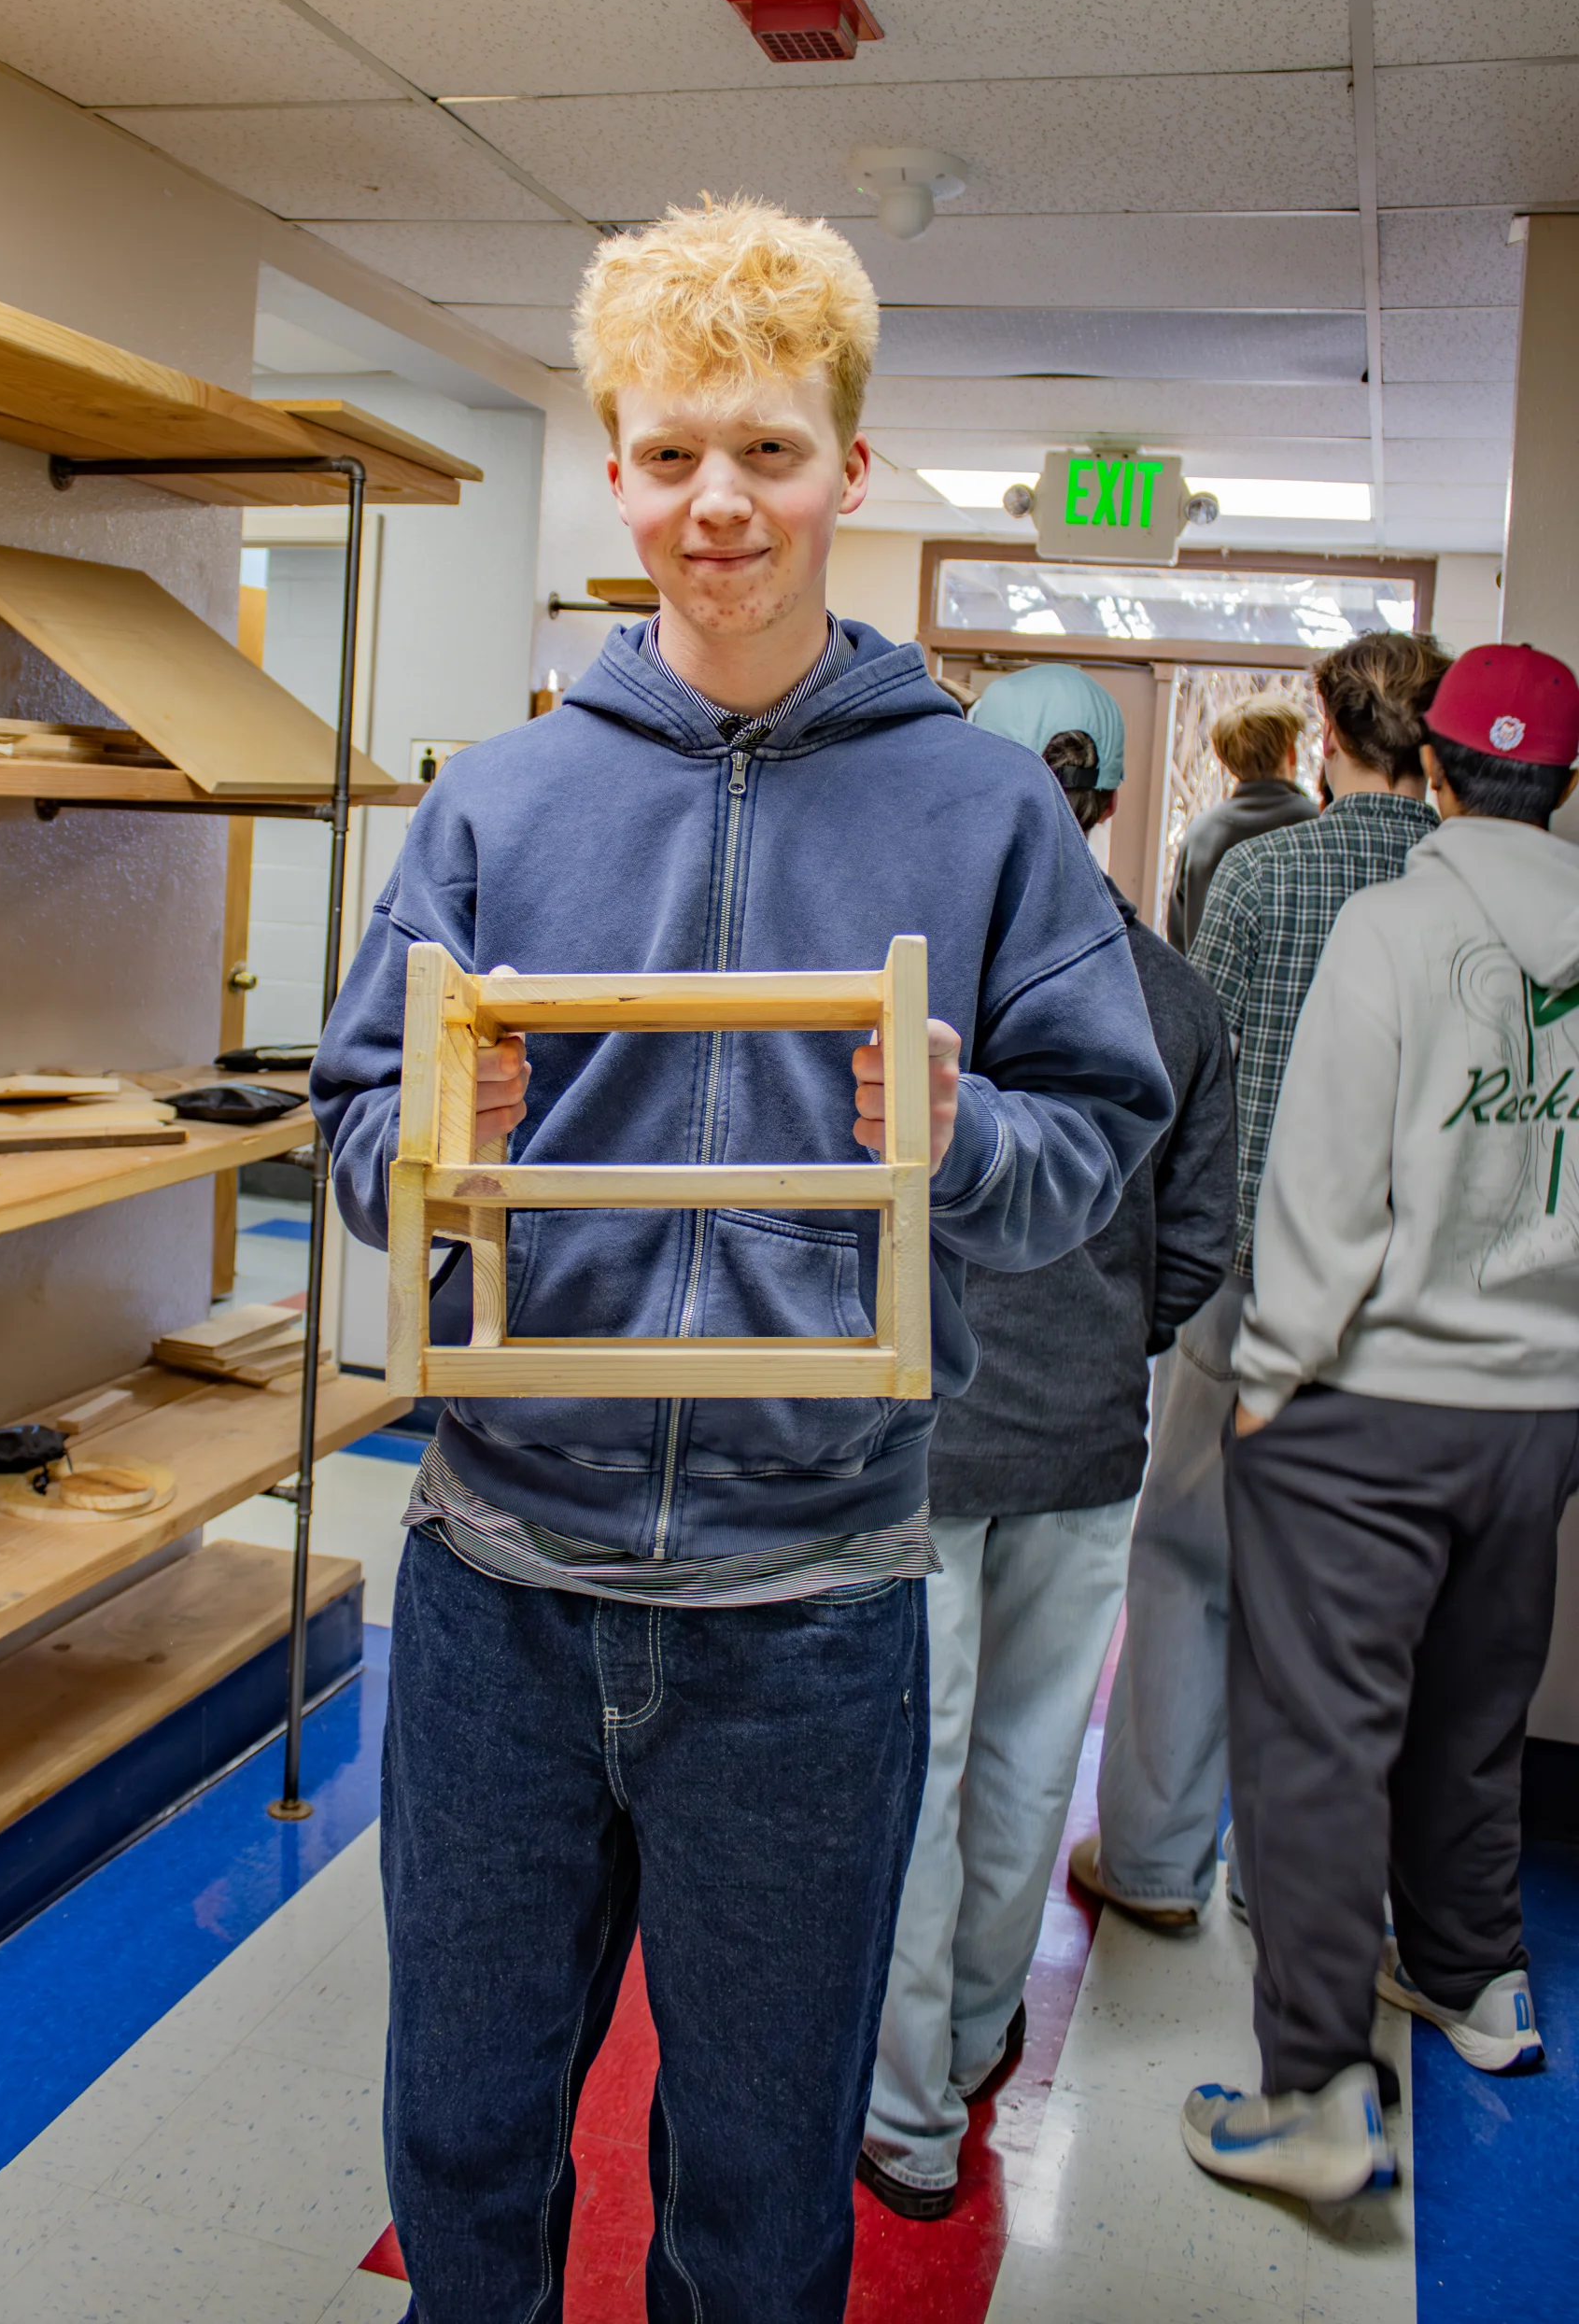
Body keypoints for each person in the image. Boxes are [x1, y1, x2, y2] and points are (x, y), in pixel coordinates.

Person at [311, 198, 1174, 2323]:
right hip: (506, 1581)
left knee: (763, 2184)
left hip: (812, 1611)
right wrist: (427, 1138)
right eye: (675, 450)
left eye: (770, 452)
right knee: (464, 2140)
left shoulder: (978, 811)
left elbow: (1104, 1140)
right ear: (616, 462)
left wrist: (962, 1134)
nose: (721, 503)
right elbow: (350, 1123)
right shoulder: (500, 799)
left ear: (848, 468)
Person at [1183, 642, 1579, 2200]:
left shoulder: (1394, 926)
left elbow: (1328, 1180)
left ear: (1430, 771)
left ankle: (1317, 2098)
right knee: (1478, 1717)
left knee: (1316, 1749)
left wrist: (1272, 1370)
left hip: (1374, 1405)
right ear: (1564, 784)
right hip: (1540, 1409)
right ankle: (1481, 1984)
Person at [858, 666, 1234, 2221]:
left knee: (915, 1772)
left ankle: (904, 2119)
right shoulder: (1172, 993)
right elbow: (1198, 1251)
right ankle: (969, 2043)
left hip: (918, 1444)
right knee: (1023, 1764)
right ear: (1111, 796)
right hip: (1086, 1442)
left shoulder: (904, 994)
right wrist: (1093, 1346)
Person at [1074, 627, 1451, 1930]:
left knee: (1187, 1564)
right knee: (1378, 1606)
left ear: (1325, 733)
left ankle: (1158, 1867)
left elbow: (1202, 1090)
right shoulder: (1473, 896)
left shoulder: (1260, 874)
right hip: (1416, 1302)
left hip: (1250, 1273)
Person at [1164, 691, 1317, 952]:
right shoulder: (1318, 825)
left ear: (1228, 761)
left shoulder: (1200, 833)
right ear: (1290, 754)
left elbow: (1178, 942)